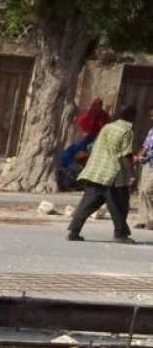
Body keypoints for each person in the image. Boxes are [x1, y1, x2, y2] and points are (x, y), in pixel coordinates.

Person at [67, 104, 138, 243]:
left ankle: (74, 231)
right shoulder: (127, 130)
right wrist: (133, 173)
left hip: (96, 171)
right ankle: (120, 234)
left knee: (88, 203)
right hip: (112, 174)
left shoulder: (107, 127)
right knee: (120, 204)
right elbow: (126, 154)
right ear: (131, 116)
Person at [133, 106, 153, 230]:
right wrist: (137, 157)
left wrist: (141, 158)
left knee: (147, 190)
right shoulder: (152, 130)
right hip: (148, 164)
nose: (151, 117)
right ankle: (143, 219)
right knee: (141, 191)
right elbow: (146, 146)